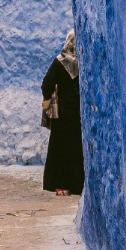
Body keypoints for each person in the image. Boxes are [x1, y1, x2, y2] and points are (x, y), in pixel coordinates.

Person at [41, 30, 83, 196]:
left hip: (62, 114)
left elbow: (46, 85)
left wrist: (49, 97)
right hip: (79, 112)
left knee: (60, 149)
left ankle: (60, 186)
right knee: (76, 148)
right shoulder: (83, 62)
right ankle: (78, 185)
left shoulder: (59, 62)